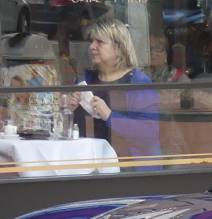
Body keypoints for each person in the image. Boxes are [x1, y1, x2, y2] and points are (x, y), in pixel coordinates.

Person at [67, 16, 161, 167]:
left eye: (100, 42)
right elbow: (69, 131)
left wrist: (110, 115)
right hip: (89, 168)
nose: (92, 46)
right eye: (91, 41)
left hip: (130, 173)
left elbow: (149, 135)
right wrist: (67, 110)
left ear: (119, 48)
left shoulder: (137, 82)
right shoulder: (84, 80)